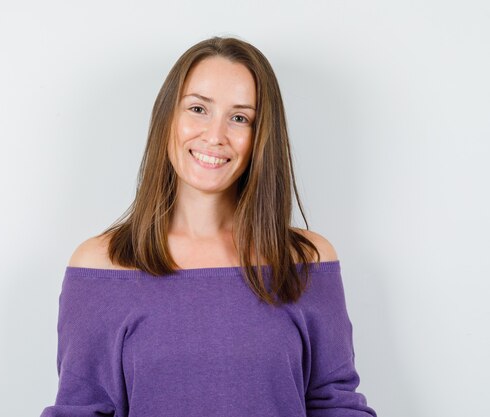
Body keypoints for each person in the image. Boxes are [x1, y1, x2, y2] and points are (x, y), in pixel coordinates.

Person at [40, 36, 377, 417]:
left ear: (259, 137)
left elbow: (336, 404)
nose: (215, 136)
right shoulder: (102, 265)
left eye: (239, 118)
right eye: (198, 109)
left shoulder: (305, 261)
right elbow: (80, 410)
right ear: (168, 117)